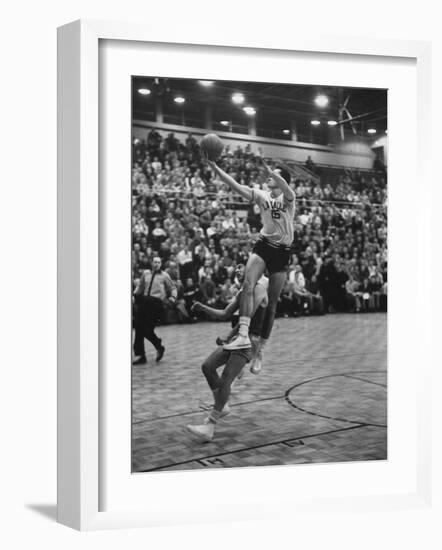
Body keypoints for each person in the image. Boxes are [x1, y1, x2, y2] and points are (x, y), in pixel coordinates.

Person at [207, 155, 295, 376]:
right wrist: (215, 167)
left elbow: (285, 187)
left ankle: (260, 351)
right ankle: (243, 334)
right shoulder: (262, 196)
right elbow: (234, 185)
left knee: (272, 304)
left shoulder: (288, 198)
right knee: (247, 283)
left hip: (282, 251)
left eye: (274, 175)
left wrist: (274, 172)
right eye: (269, 175)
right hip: (264, 245)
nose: (269, 178)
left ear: (281, 179)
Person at [186, 264, 268, 442]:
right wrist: (203, 307)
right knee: (207, 366)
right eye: (236, 268)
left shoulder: (260, 288)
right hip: (236, 339)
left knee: (226, 380)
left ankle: (210, 425)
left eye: (242, 267)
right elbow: (224, 313)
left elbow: (250, 317)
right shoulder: (242, 293)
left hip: (248, 341)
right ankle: (221, 405)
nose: (237, 271)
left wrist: (228, 335)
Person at [132, 256, 177, 365]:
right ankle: (141, 355)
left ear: (161, 264)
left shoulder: (165, 276)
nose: (156, 264)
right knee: (139, 327)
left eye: (158, 262)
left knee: (146, 329)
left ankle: (157, 345)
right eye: (154, 262)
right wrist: (134, 295)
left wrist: (173, 298)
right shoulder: (146, 274)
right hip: (144, 302)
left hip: (156, 304)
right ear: (151, 263)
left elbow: (173, 288)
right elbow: (140, 286)